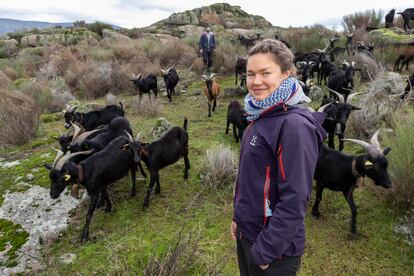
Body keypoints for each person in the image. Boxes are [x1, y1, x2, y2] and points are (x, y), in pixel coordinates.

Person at [230, 39, 327, 276]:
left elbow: (295, 200)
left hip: (274, 251)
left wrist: (266, 252)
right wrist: (238, 219)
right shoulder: (261, 114)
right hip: (249, 234)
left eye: (266, 73)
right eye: (250, 74)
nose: (256, 81)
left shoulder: (293, 126)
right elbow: (248, 178)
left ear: (286, 74)